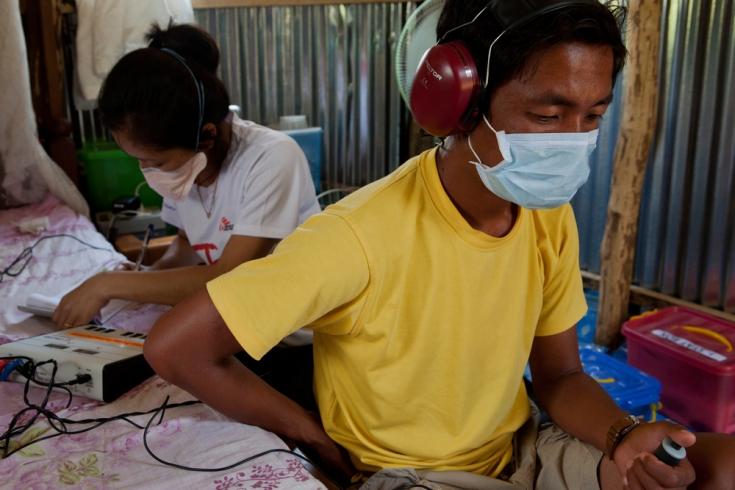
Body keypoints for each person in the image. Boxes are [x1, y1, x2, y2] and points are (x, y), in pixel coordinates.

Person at [142, 2, 735, 489]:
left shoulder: (547, 218)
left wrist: (623, 437)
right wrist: (310, 434)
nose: (574, 143)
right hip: (414, 477)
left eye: (593, 116)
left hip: (520, 450)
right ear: (457, 105)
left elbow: (557, 378)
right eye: (549, 116)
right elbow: (177, 347)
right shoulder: (357, 235)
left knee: (716, 468)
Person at [53, 24, 320, 329]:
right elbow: (186, 243)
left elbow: (230, 277)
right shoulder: (189, 165)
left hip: (286, 335)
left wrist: (109, 284)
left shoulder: (272, 157)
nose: (147, 171)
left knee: (163, 350)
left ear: (206, 136)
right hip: (232, 321)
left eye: (155, 161)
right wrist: (149, 277)